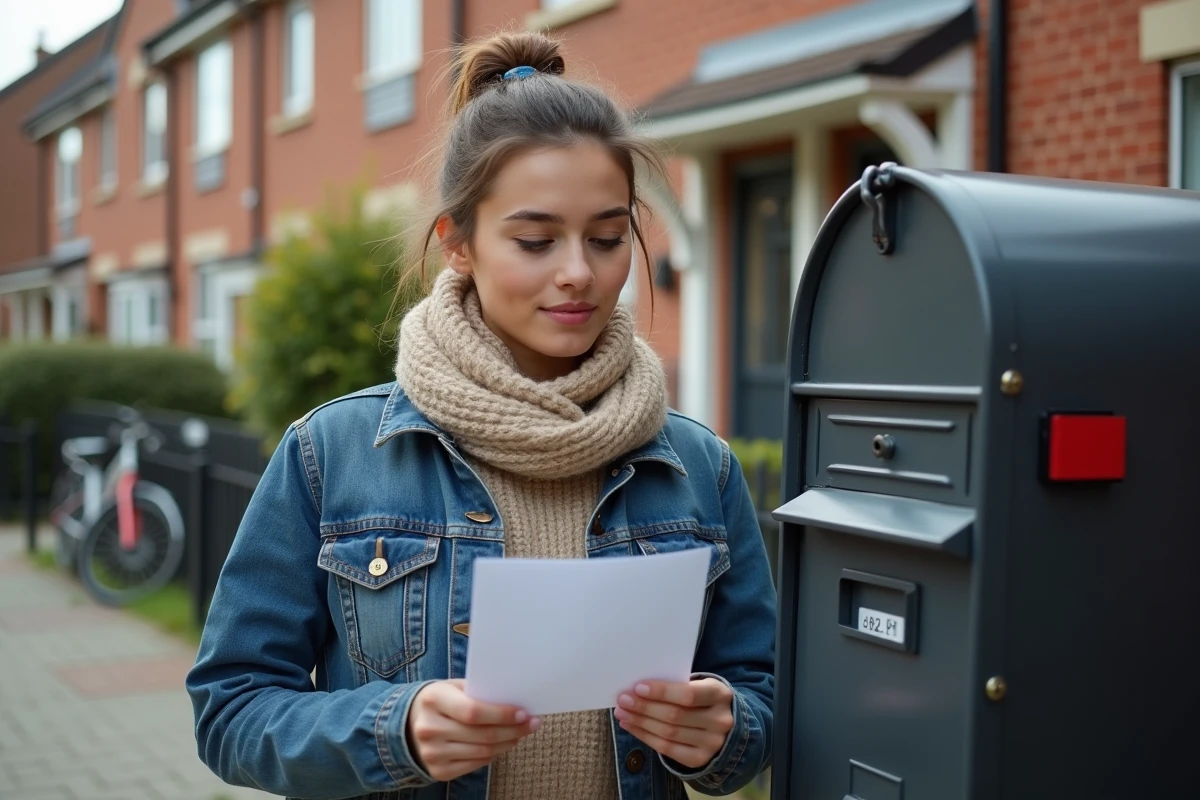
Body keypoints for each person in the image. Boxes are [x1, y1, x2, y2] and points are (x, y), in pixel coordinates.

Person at [186, 30, 776, 800]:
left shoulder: (700, 465)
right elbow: (230, 711)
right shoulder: (330, 454)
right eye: (535, 240)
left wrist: (726, 732)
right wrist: (393, 729)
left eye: (607, 238)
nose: (579, 272)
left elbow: (764, 695)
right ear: (457, 244)